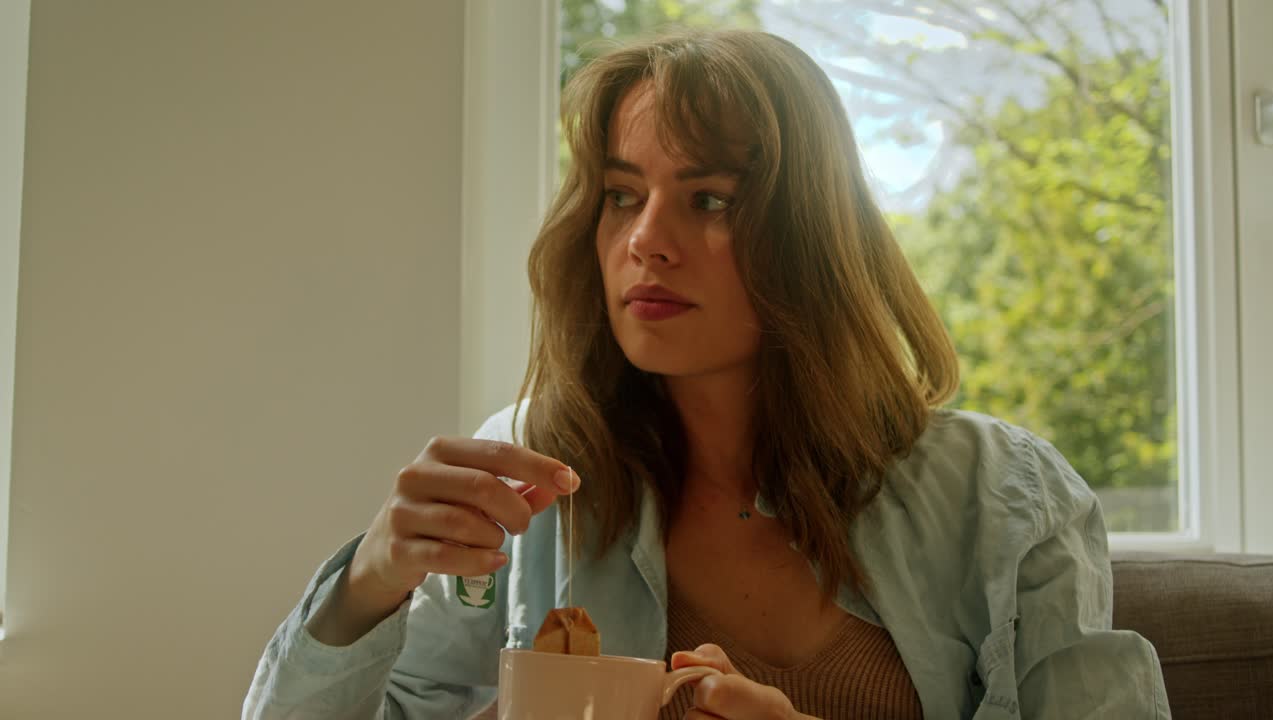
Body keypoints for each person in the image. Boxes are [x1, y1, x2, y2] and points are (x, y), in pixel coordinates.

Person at [244, 29, 1170, 719]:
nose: (646, 241)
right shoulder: (525, 475)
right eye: (620, 196)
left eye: (709, 199)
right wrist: (369, 582)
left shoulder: (1005, 497)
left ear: (810, 235)